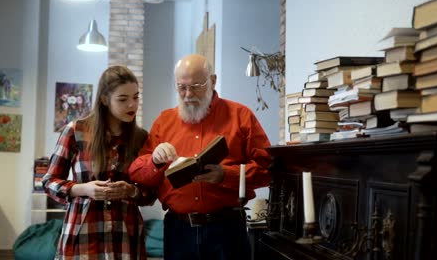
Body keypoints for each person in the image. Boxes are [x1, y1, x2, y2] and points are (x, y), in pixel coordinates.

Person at [129, 54, 272, 260]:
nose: (188, 94)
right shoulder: (164, 121)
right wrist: (154, 161)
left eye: (196, 86)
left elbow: (268, 169)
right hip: (178, 230)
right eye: (181, 87)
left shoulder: (241, 116)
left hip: (227, 229)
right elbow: (136, 172)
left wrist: (226, 175)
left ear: (213, 81)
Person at [42, 65, 155, 259]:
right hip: (84, 233)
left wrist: (130, 190)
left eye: (136, 97)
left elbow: (150, 193)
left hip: (125, 236)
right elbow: (49, 181)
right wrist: (83, 189)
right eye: (123, 99)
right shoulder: (75, 131)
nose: (132, 105)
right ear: (104, 99)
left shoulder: (141, 138)